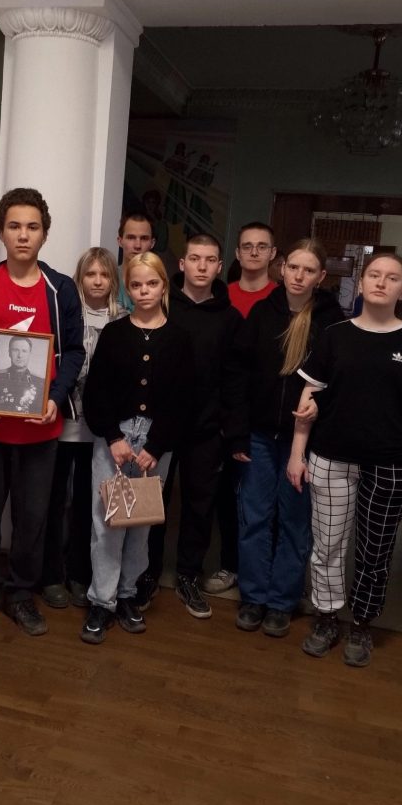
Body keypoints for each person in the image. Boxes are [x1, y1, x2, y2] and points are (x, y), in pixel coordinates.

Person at [288, 253, 402, 668]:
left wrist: (385, 415)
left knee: (375, 548)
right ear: (361, 284)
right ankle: (326, 617)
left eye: (391, 278)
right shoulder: (335, 336)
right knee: (327, 545)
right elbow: (309, 395)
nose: (381, 282)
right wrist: (297, 453)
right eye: (374, 275)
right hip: (331, 458)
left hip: (391, 463)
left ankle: (362, 621)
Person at [0, 187, 84, 637]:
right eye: (14, 226)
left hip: (40, 430)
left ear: (44, 234)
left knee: (32, 519)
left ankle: (22, 593)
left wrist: (55, 397)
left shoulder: (60, 289)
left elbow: (74, 351)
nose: (23, 235)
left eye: (32, 227)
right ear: (1, 232)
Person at [229, 239, 343, 637]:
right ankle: (254, 597)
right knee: (254, 517)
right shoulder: (263, 312)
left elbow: (338, 380)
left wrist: (320, 408)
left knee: (295, 522)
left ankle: (281, 600)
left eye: (308, 270)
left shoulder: (331, 321)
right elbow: (239, 375)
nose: (298, 276)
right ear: (282, 268)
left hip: (305, 441)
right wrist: (237, 433)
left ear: (320, 276)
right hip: (259, 435)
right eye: (293, 267)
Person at [80, 252, 191, 645]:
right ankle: (102, 600)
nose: (144, 291)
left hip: (155, 444)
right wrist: (113, 437)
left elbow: (183, 401)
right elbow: (96, 392)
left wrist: (156, 447)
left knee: (140, 526)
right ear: (127, 289)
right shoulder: (114, 333)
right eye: (136, 285)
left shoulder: (179, 339)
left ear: (164, 286)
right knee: (106, 524)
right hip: (115, 440)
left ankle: (127, 594)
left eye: (152, 284)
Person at [136, 234, 242, 618]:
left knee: (200, 506)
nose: (201, 266)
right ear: (181, 264)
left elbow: (234, 379)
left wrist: (230, 430)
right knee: (153, 504)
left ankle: (188, 576)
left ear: (219, 267)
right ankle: (146, 574)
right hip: (158, 427)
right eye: (194, 258)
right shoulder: (162, 305)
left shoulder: (230, 318)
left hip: (206, 429)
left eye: (209, 260)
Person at [40, 248, 126, 609]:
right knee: (54, 500)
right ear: (80, 278)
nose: (97, 281)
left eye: (104, 275)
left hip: (101, 431)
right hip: (61, 424)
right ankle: (50, 574)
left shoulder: (122, 320)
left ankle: (80, 573)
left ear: (113, 281)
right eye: (90, 274)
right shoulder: (64, 316)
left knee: (89, 504)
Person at [205, 221, 279, 596]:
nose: (253, 252)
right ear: (236, 254)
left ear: (272, 254)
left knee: (266, 499)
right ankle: (230, 564)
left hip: (265, 414)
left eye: (261, 246)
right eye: (247, 246)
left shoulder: (282, 298)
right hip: (222, 411)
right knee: (225, 493)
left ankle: (272, 571)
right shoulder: (222, 295)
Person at [0, 335, 47, 414]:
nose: (20, 355)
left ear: (29, 354)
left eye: (24, 351)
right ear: (9, 353)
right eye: (15, 350)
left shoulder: (41, 383)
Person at [116, 212, 155, 312]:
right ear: (120, 241)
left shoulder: (160, 286)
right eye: (131, 238)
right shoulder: (107, 279)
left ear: (152, 243)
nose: (137, 245)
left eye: (144, 238)